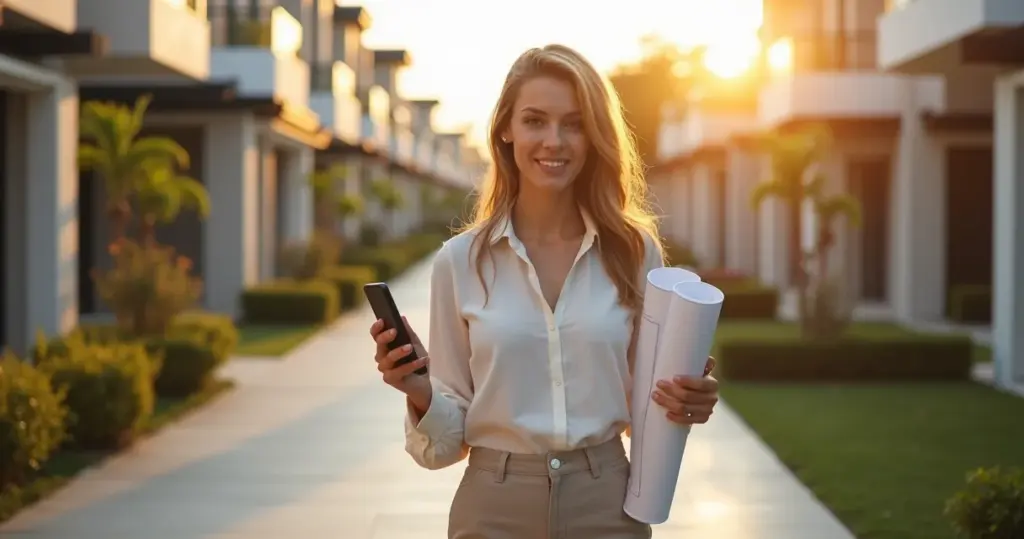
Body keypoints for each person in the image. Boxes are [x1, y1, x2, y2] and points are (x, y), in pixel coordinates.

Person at [370, 43, 721, 538]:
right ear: (506, 131)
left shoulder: (633, 252)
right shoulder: (459, 262)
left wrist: (687, 399)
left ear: (594, 135)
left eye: (574, 123)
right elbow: (444, 448)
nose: (554, 140)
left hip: (609, 508)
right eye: (535, 120)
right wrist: (419, 391)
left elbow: (649, 403)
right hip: (493, 509)